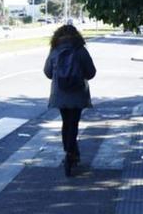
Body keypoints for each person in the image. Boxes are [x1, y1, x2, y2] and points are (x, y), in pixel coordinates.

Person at [44, 24, 96, 177]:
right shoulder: (80, 50)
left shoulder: (54, 50)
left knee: (66, 122)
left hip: (60, 94)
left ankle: (69, 151)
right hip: (77, 93)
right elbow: (91, 72)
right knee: (74, 122)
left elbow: (47, 72)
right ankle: (71, 153)